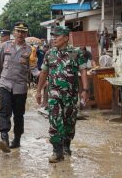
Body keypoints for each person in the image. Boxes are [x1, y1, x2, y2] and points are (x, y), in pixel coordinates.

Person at [35, 26, 89, 163]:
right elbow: (44, 73)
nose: (53, 38)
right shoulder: (49, 53)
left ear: (66, 38)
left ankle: (66, 145)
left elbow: (83, 71)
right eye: (53, 36)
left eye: (57, 36)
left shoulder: (76, 53)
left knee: (69, 121)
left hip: (70, 95)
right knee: (55, 120)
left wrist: (85, 90)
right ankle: (57, 151)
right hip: (54, 95)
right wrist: (38, 91)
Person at [0, 22, 32, 153]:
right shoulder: (5, 46)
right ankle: (4, 139)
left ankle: (17, 139)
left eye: (23, 32)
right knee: (4, 111)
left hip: (20, 87)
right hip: (5, 84)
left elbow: (34, 68)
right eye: (18, 31)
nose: (20, 34)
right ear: (14, 33)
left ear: (26, 34)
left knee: (19, 115)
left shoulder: (30, 50)